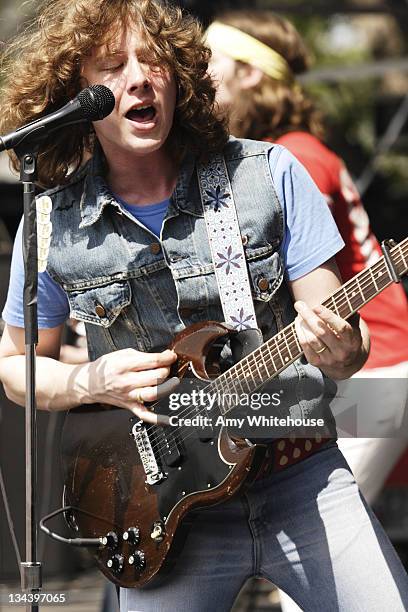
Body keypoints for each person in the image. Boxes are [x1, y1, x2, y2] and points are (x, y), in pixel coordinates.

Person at [0, 2, 407, 611]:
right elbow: (15, 365)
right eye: (112, 66)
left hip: (301, 474)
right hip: (166, 511)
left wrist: (342, 347)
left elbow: (341, 348)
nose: (139, 78)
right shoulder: (51, 223)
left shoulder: (269, 174)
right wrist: (90, 379)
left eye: (156, 61)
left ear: (181, 77)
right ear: (74, 93)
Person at [206, 10, 408, 505]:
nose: (196, 71)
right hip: (370, 366)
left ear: (250, 73)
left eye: (208, 58)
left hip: (373, 364)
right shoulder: (290, 149)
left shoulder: (294, 157)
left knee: (311, 525)